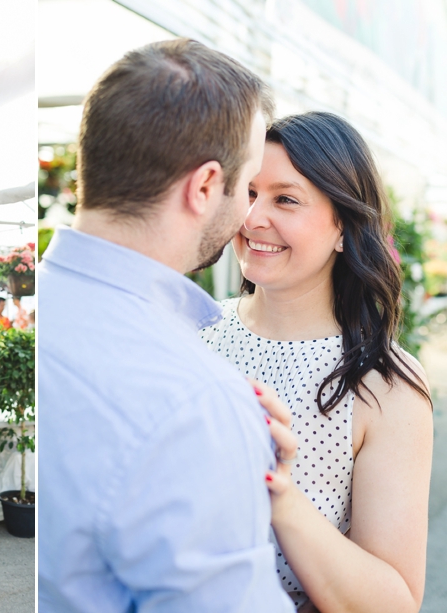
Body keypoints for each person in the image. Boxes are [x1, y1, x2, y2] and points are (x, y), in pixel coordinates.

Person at [39, 39, 295, 611]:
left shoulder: (38, 307)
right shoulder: (197, 402)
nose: (251, 215)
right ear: (205, 186)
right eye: (249, 184)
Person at [200, 112, 433, 612]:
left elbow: (395, 604)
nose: (253, 217)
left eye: (285, 199)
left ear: (345, 228)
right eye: (250, 192)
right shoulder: (191, 333)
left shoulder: (386, 381)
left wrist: (278, 492)